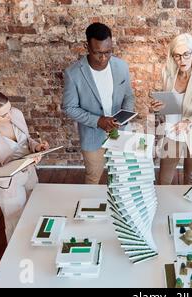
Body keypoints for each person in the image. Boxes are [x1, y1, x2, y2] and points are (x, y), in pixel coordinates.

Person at [0, 90, 49, 242]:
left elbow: (25, 141)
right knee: (16, 224)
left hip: (30, 175)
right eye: (4, 115)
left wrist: (36, 147)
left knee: (34, 213)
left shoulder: (16, 114)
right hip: (8, 186)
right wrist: (23, 162)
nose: (10, 116)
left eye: (10, 110)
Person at [63, 22, 135, 184]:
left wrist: (123, 118)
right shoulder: (73, 73)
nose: (103, 58)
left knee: (120, 178)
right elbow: (69, 107)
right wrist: (98, 121)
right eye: (98, 53)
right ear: (86, 47)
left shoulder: (121, 66)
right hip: (92, 136)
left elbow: (129, 96)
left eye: (108, 52)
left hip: (121, 132)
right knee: (93, 177)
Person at [151, 34, 192, 185]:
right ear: (172, 56)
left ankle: (187, 208)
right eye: (177, 56)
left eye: (186, 54)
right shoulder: (167, 73)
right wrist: (157, 108)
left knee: (190, 176)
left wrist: (187, 122)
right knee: (164, 179)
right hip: (173, 130)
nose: (182, 60)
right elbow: (168, 104)